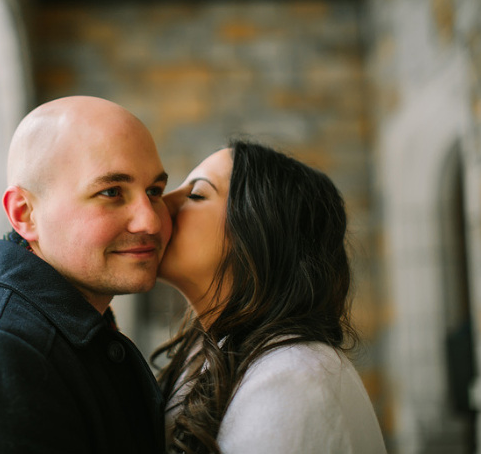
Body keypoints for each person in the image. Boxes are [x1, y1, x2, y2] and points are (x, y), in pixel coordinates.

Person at [0, 96, 171, 453]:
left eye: (154, 191)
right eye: (112, 192)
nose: (150, 220)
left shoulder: (69, 333)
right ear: (24, 214)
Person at [153, 140, 387, 454]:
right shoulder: (211, 358)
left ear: (258, 232)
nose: (160, 202)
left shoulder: (291, 379)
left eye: (196, 194)